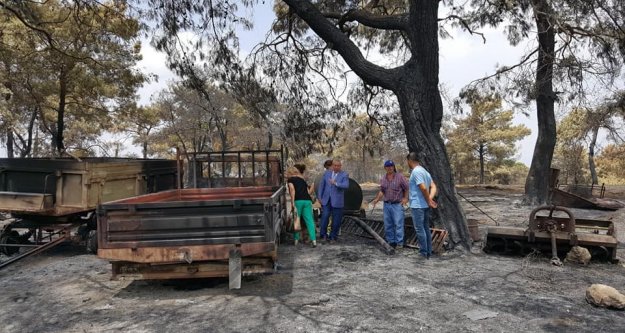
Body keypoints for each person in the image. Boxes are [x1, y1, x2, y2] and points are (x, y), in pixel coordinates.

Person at [370, 160, 409, 248]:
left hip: (397, 204)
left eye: (391, 166)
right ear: (385, 168)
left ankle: (399, 243)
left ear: (394, 167)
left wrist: (405, 198)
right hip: (387, 204)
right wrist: (376, 199)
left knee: (398, 224)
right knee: (388, 224)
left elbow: (406, 188)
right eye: (387, 166)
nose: (390, 168)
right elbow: (382, 191)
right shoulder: (383, 178)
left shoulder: (400, 177)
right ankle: (391, 241)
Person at [406, 152, 438, 259]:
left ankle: (423, 252)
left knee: (420, 229)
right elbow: (433, 187)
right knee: (425, 228)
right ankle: (428, 251)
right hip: (424, 205)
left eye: (407, 161)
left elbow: (423, 188)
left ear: (410, 161)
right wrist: (429, 199)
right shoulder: (425, 171)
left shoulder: (416, 171)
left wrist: (428, 200)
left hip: (418, 205)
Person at [317, 159, 349, 242]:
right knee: (324, 217)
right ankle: (323, 235)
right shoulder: (327, 173)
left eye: (338, 166)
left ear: (340, 166)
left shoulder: (344, 174)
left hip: (337, 201)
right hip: (326, 200)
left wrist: (336, 183)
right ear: (332, 166)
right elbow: (321, 186)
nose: (336, 167)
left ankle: (333, 236)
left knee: (336, 220)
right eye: (335, 165)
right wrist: (319, 197)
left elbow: (346, 185)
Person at [286, 166, 317, 247]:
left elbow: (292, 190)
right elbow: (308, 192)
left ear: (289, 173)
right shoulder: (302, 180)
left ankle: (296, 240)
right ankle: (314, 241)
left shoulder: (290, 180)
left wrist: (292, 203)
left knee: (297, 220)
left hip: (298, 201)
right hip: (307, 201)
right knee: (309, 220)